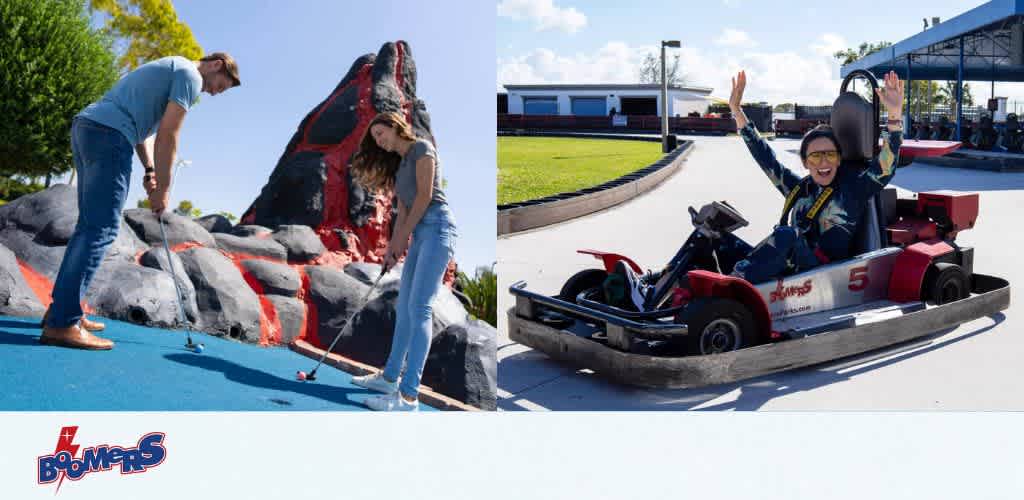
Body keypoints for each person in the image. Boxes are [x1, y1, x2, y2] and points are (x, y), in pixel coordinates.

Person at [40, 53, 240, 350]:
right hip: (109, 135)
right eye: (219, 86)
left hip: (89, 127)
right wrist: (164, 190)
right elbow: (169, 136)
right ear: (216, 65)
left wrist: (150, 170)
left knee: (89, 227)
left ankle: (61, 310)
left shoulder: (173, 67)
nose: (212, 92)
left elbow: (143, 132)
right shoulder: (190, 76)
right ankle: (62, 323)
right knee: (101, 229)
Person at [702, 69, 904, 284]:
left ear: (839, 159)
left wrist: (894, 116)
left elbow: (885, 167)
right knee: (711, 234)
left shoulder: (853, 190)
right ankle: (682, 281)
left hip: (823, 276)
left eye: (830, 155)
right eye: (816, 156)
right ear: (805, 162)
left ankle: (731, 285)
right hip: (790, 269)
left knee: (786, 235)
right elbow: (765, 157)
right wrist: (736, 109)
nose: (824, 162)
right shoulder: (799, 189)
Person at [349, 112, 457, 411]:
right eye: (375, 138)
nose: (379, 142)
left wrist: (403, 238)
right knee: (406, 310)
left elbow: (424, 198)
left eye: (381, 134)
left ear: (396, 127)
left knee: (420, 308)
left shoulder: (422, 148)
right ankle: (389, 378)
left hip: (438, 228)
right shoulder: (400, 166)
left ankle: (409, 397)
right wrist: (393, 247)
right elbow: (404, 211)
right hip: (420, 234)